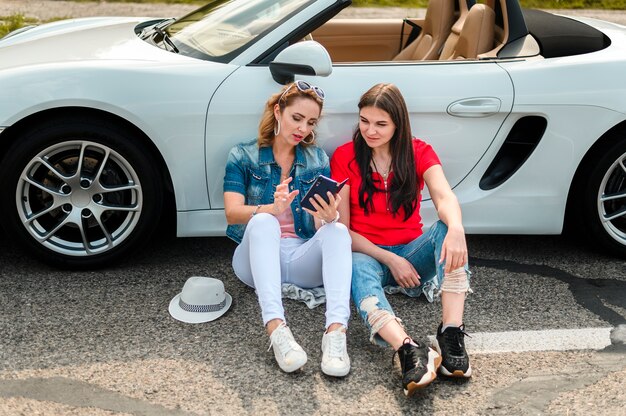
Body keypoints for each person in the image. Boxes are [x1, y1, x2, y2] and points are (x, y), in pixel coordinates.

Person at [331, 83, 472, 396]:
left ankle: (450, 333)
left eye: (381, 124)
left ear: (398, 123)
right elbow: (343, 229)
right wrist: (391, 259)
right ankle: (405, 348)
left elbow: (443, 195)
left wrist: (457, 227)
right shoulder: (344, 157)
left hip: (413, 251)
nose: (370, 131)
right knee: (355, 265)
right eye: (364, 121)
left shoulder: (419, 151)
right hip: (368, 253)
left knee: (445, 231)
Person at [223, 80, 352, 377]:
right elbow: (232, 213)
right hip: (254, 261)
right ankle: (277, 330)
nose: (303, 129)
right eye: (297, 118)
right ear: (278, 111)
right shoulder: (243, 155)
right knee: (265, 221)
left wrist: (328, 216)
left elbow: (321, 225)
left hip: (301, 258)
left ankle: (335, 334)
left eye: (310, 122)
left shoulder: (317, 159)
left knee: (338, 231)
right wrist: (272, 208)